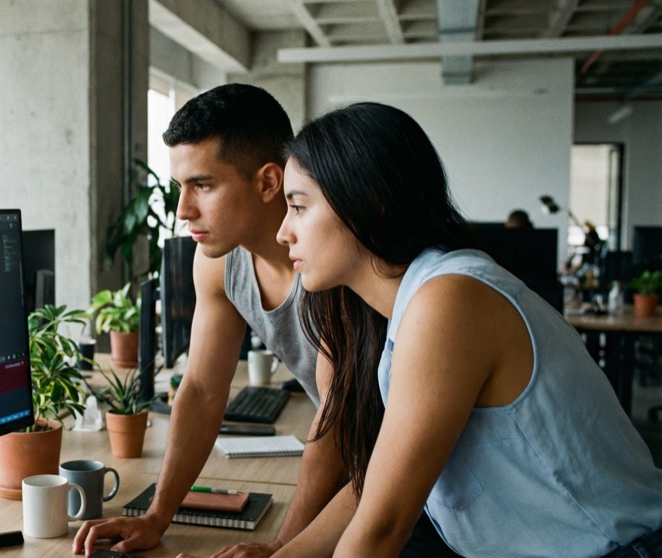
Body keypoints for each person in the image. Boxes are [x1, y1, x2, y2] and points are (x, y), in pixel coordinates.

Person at [73, 85, 458, 557]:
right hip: (366, 476)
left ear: (268, 182)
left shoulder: (335, 262)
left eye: (204, 185)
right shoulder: (217, 261)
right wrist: (157, 516)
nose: (182, 211)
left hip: (416, 490)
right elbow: (201, 389)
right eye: (180, 188)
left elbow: (332, 427)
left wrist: (281, 546)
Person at [268, 102, 662, 557]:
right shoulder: (401, 308)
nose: (283, 232)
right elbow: (372, 492)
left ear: (368, 201)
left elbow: (381, 529)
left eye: (298, 206)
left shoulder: (448, 300)